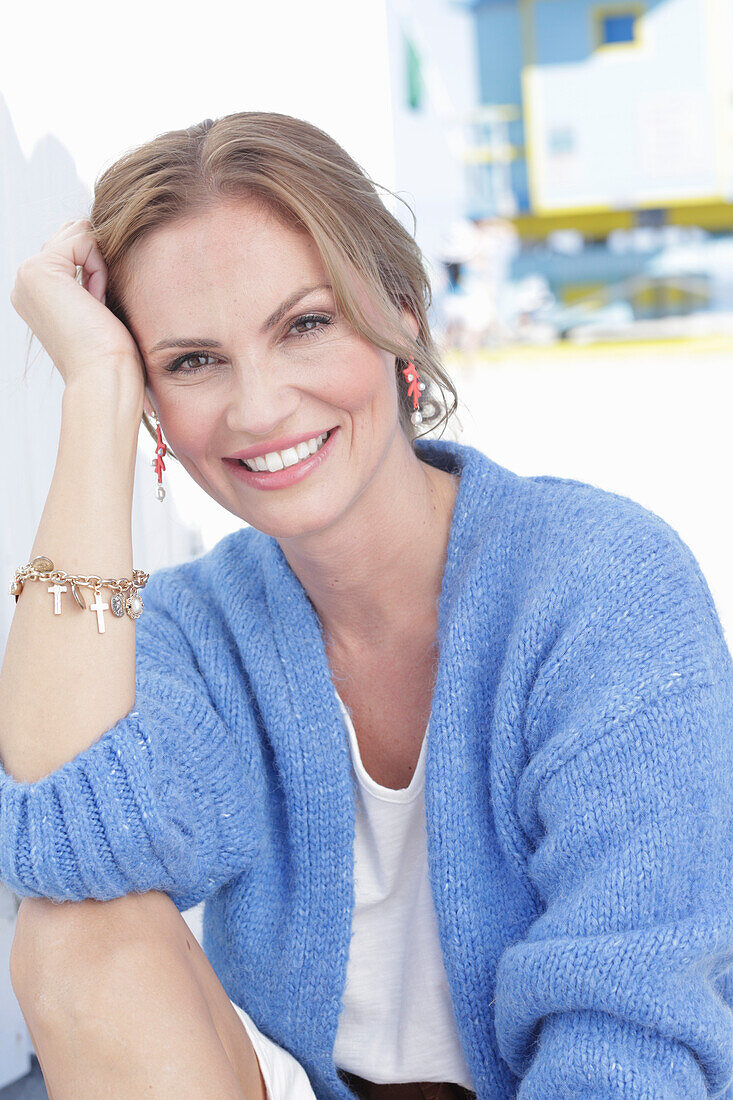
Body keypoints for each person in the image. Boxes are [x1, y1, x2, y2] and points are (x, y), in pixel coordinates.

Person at [1, 112, 732, 1100]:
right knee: (71, 931)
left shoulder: (602, 584)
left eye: (305, 324)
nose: (258, 407)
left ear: (401, 315)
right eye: (191, 361)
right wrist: (93, 391)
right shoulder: (198, 627)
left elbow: (631, 1029)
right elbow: (57, 838)